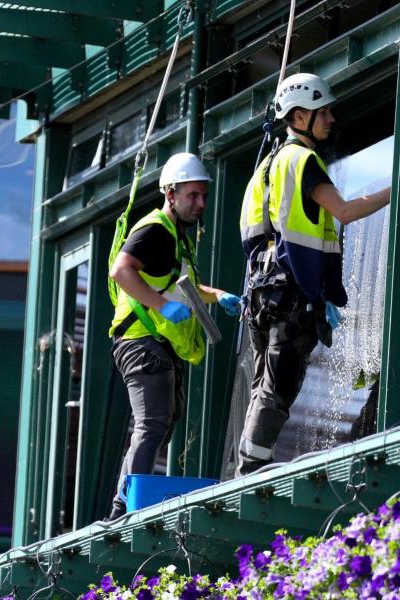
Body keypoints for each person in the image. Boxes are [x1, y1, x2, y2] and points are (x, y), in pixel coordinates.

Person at [236, 73, 391, 476]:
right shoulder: (302, 160)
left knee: (263, 388)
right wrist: (399, 185)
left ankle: (250, 462)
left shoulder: (265, 168)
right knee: (278, 388)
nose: (331, 118)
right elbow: (345, 211)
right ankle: (251, 472)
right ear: (300, 116)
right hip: (288, 294)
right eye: (323, 112)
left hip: (261, 295)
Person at [107, 152, 242, 520]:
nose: (200, 204)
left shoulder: (177, 239)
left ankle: (126, 502)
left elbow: (182, 285)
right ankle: (123, 512)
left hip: (153, 343)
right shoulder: (155, 230)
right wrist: (161, 307)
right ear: (171, 195)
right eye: (192, 196)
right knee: (152, 423)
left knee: (158, 422)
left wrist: (218, 296)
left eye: (203, 196)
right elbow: (122, 270)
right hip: (141, 340)